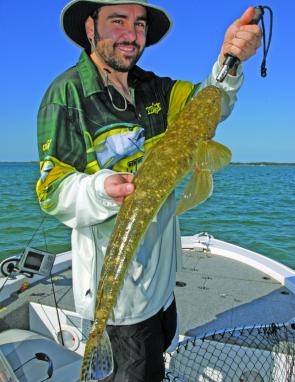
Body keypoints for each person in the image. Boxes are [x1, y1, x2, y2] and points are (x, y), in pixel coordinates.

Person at [36, 1, 261, 381]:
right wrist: (101, 188)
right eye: (117, 21)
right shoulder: (66, 95)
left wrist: (229, 59)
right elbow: (51, 189)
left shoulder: (156, 88)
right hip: (120, 305)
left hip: (162, 285)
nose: (131, 34)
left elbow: (210, 103)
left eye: (139, 24)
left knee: (158, 357)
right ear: (90, 27)